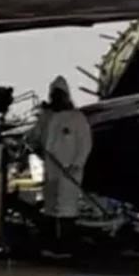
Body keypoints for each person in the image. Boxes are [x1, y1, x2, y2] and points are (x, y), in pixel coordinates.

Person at [25, 76, 93, 256]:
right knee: (50, 206)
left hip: (69, 170)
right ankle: (50, 245)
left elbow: (85, 144)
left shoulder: (77, 118)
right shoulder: (46, 117)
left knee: (66, 208)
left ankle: (65, 246)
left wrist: (77, 164)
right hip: (51, 170)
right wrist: (33, 145)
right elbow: (34, 137)